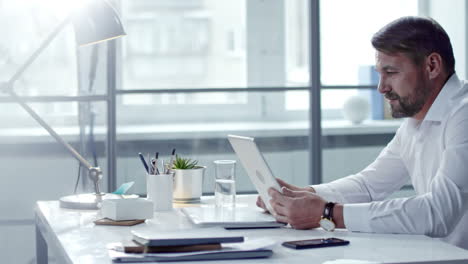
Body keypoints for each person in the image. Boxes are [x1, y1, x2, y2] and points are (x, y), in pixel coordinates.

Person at [257, 16, 468, 250]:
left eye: (391, 72)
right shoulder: (418, 120)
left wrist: (326, 213)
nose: (381, 87)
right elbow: (369, 185)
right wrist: (304, 195)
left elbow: (437, 214)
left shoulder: (463, 115)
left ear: (432, 66)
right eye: (380, 73)